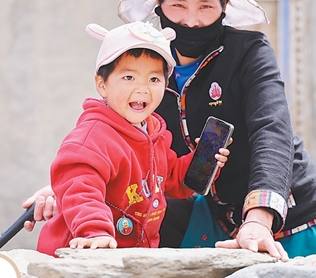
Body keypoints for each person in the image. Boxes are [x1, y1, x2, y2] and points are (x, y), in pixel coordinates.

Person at [23, 0, 316, 261]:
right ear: (159, 4)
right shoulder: (147, 63)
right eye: (178, 5)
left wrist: (260, 219)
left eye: (205, 6)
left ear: (224, 5)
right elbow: (114, 147)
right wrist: (66, 186)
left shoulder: (248, 52)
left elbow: (272, 129)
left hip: (284, 219)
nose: (191, 20)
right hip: (208, 216)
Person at [34, 20, 230, 256]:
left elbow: (170, 179)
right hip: (83, 251)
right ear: (102, 84)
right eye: (129, 77)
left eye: (154, 79)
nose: (143, 88)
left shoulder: (154, 133)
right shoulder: (92, 138)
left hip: (130, 254)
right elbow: (81, 190)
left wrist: (203, 162)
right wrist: (94, 232)